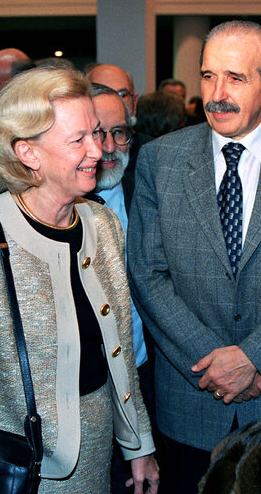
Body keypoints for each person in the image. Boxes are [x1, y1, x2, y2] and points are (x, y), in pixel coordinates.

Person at [0, 66, 158, 494]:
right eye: (79, 139)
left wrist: (138, 445)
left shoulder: (101, 223)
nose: (99, 150)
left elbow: (117, 350)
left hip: (97, 461)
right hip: (23, 470)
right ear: (28, 152)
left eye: (99, 133)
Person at [127, 20, 261, 493]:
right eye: (209, 76)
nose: (218, 94)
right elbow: (147, 275)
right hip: (190, 401)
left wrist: (256, 357)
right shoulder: (160, 159)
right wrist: (211, 362)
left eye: (236, 78)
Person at [84, 82, 158, 494]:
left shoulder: (149, 187)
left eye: (119, 132)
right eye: (97, 132)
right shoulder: (52, 204)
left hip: (145, 375)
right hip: (82, 393)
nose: (109, 146)